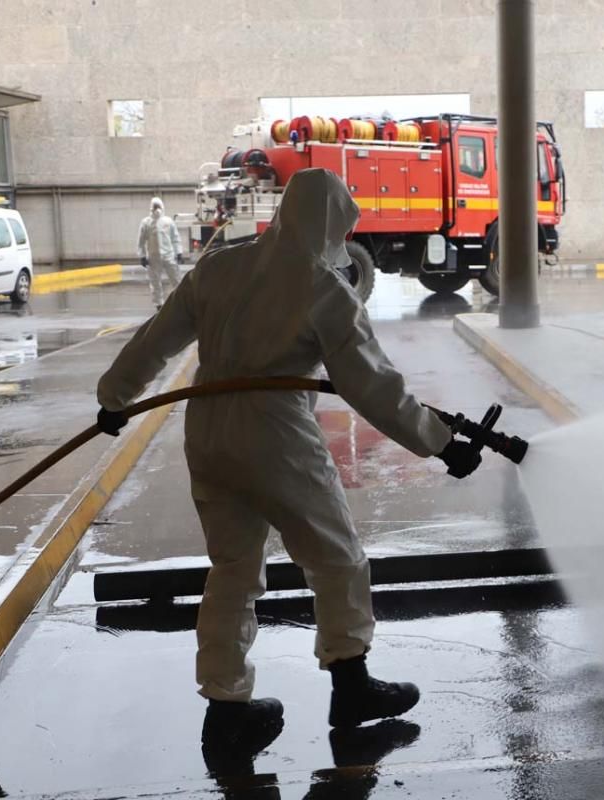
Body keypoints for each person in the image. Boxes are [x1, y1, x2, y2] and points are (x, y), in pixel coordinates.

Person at [95, 169, 482, 764]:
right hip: (275, 436)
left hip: (209, 432)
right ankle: (352, 687)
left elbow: (156, 339)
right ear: (332, 224)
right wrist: (442, 443)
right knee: (336, 558)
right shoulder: (323, 287)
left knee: (232, 568)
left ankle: (227, 712)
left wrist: (115, 397)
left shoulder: (220, 266)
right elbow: (371, 386)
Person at [137, 196, 184, 309]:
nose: (156, 209)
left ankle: (181, 301)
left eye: (158, 206)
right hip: (153, 258)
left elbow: (175, 238)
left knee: (176, 279)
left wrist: (179, 252)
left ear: (162, 207)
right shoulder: (146, 223)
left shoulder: (168, 221)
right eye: (155, 207)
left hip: (169, 256)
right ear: (151, 208)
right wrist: (142, 256)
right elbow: (141, 241)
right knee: (155, 282)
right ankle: (159, 304)